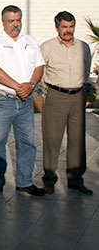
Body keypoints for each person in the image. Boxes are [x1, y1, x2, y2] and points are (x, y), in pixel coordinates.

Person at [0, 5, 45, 197]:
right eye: (11, 21)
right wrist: (19, 86)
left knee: (27, 142)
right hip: (3, 100)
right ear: (3, 22)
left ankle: (25, 182)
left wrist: (31, 84)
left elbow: (39, 66)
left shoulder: (30, 41)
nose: (15, 24)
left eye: (18, 20)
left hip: (25, 100)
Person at [40, 11, 92, 195]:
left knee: (77, 140)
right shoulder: (47, 47)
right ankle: (49, 180)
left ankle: (75, 179)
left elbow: (86, 69)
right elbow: (40, 71)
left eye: (71, 27)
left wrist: (82, 87)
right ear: (57, 27)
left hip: (78, 96)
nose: (68, 31)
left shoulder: (83, 47)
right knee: (52, 139)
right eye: (64, 27)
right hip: (56, 96)